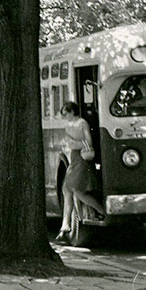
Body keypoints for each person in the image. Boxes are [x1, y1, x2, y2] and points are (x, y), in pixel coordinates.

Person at [56, 101, 105, 244]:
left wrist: (73, 143)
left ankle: (101, 210)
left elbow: (88, 142)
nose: (64, 116)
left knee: (76, 190)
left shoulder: (82, 123)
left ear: (72, 112)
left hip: (82, 158)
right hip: (75, 159)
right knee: (68, 189)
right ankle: (65, 224)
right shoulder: (69, 125)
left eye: (65, 113)